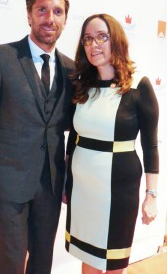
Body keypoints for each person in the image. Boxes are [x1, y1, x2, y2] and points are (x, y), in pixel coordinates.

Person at [0, 0, 74, 274]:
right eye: (42, 10)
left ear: (65, 19)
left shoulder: (72, 69)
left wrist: (71, 180)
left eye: (57, 11)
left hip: (51, 186)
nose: (49, 18)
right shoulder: (0, 57)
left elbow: (74, 130)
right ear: (29, 15)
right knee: (11, 262)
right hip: (7, 185)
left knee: (42, 262)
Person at [65, 14, 159, 274]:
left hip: (119, 188)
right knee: (89, 257)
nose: (93, 44)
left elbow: (150, 146)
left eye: (101, 37)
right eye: (87, 39)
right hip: (83, 188)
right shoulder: (83, 85)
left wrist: (151, 196)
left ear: (116, 39)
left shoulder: (139, 85)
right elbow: (74, 139)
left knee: (115, 262)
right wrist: (67, 183)